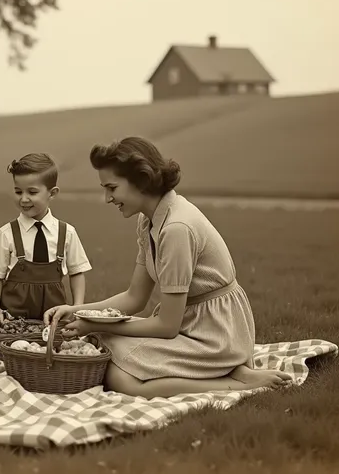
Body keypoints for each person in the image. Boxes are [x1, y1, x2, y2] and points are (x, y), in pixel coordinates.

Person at [44, 137, 291, 399]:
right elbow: (134, 298)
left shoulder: (176, 229)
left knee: (120, 377)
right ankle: (232, 371)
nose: (107, 198)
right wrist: (79, 312)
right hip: (190, 321)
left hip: (215, 333)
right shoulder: (148, 220)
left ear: (140, 180)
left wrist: (95, 325)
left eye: (112, 188)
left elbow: (166, 327)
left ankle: (238, 384)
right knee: (103, 343)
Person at [0, 153, 92, 326]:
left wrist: (76, 307)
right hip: (13, 320)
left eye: (32, 192)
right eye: (18, 191)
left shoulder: (67, 233)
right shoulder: (6, 233)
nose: (24, 199)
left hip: (53, 319)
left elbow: (77, 272)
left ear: (52, 193)